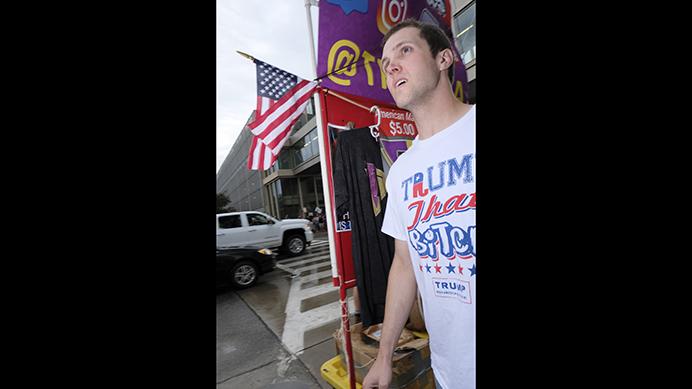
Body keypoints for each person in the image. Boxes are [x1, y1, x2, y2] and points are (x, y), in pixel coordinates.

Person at [362, 19, 475, 389]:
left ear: (444, 58)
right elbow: (404, 264)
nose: (391, 66)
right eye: (385, 63)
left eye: (405, 51)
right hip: (450, 373)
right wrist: (384, 357)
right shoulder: (401, 171)